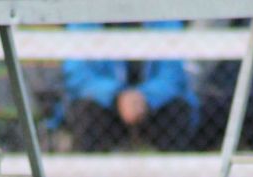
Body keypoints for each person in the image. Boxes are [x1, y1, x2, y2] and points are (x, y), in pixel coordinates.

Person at [60, 22, 199, 153]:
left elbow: (174, 75)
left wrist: (145, 97)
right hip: (106, 104)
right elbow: (77, 76)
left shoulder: (164, 15)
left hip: (153, 105)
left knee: (178, 110)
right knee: (87, 111)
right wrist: (117, 96)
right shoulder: (85, 17)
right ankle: (88, 176)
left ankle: (177, 175)